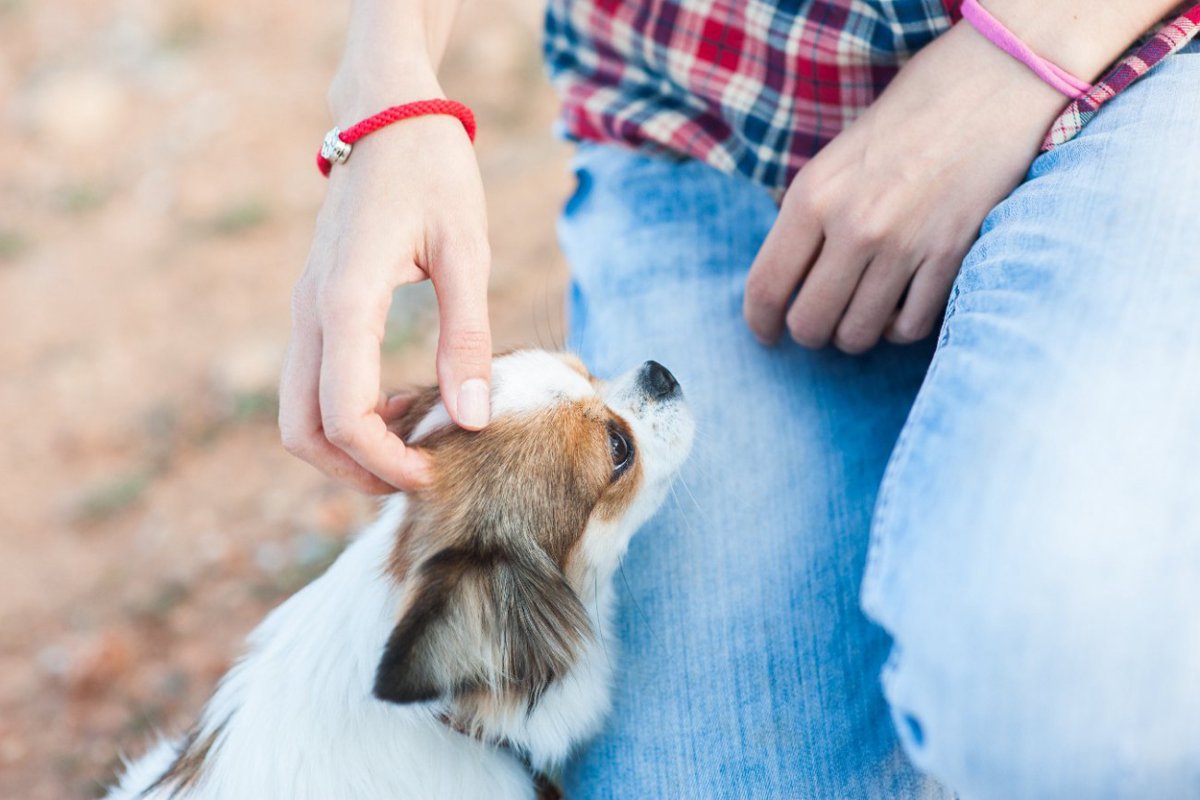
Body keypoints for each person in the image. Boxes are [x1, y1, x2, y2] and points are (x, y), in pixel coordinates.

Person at [278, 0, 1200, 796]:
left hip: (1128, 65)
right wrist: (389, 89)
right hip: (711, 122)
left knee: (1075, 706)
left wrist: (1026, 47)